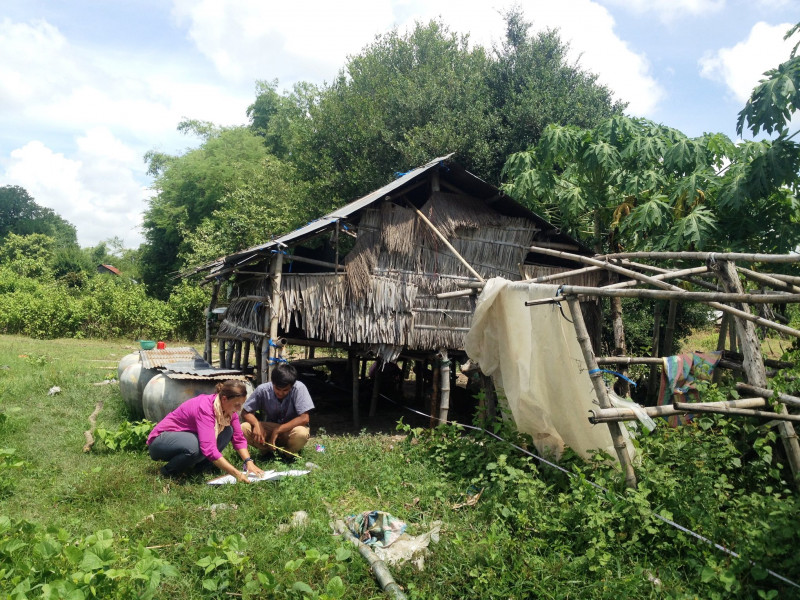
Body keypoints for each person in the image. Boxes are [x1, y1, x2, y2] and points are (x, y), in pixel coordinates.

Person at [147, 380, 264, 482]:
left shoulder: (229, 412)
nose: (239, 409)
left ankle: (201, 468)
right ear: (224, 399)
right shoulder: (205, 409)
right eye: (237, 405)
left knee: (228, 431)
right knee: (194, 447)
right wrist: (236, 474)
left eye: (241, 405)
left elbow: (238, 438)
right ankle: (167, 472)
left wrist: (249, 461)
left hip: (184, 438)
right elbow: (209, 449)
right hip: (160, 442)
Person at [241, 363, 314, 458]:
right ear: (272, 382)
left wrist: (278, 430)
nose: (280, 393)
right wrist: (256, 424)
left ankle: (288, 454)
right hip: (270, 427)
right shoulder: (262, 390)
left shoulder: (299, 388)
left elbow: (304, 418)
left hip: (292, 429)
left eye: (285, 390)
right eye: (277, 389)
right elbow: (245, 412)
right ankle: (267, 452)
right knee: (243, 428)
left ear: (292, 386)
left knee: (301, 433)